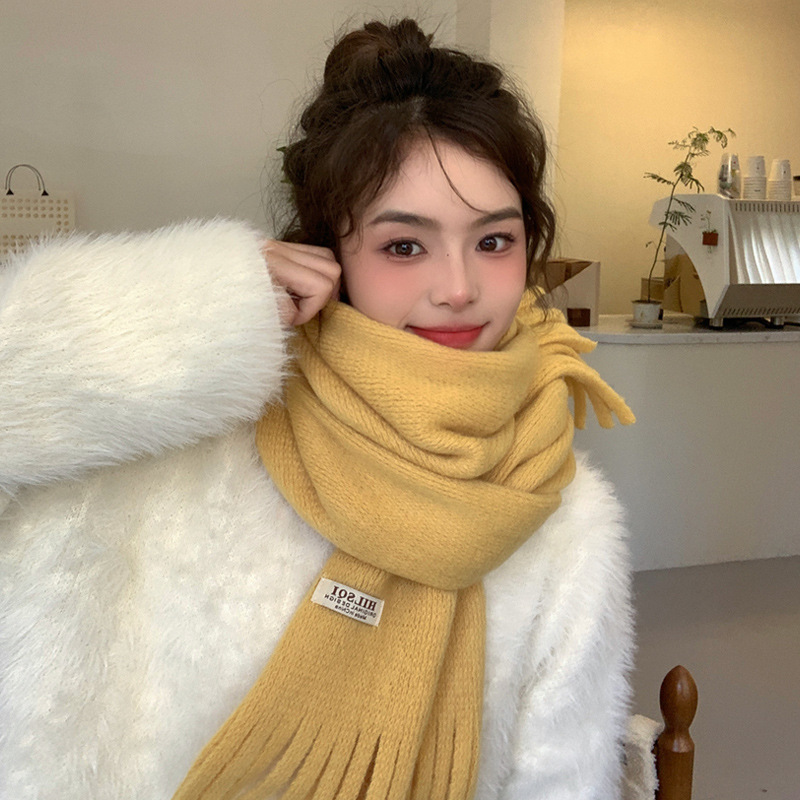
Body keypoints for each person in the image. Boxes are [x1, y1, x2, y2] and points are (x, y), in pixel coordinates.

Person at [0, 18, 635, 800]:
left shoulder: (565, 516)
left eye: (494, 241)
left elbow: (560, 781)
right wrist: (202, 301)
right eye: (404, 246)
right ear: (331, 254)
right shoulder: (192, 436)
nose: (459, 288)